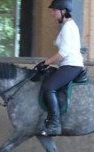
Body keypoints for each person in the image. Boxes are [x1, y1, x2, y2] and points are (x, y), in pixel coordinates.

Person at [36, 0, 84, 136]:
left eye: (54, 10)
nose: (52, 13)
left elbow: (63, 53)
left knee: (48, 87)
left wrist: (46, 62)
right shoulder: (67, 26)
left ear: (63, 11)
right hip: (66, 65)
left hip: (71, 65)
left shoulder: (69, 27)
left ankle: (55, 124)